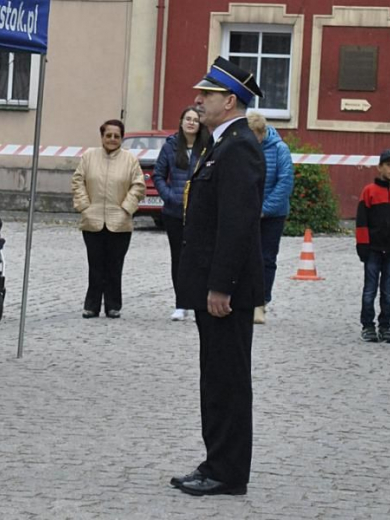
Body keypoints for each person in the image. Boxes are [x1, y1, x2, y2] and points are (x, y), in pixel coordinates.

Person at [170, 57, 264, 497]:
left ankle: (227, 472)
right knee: (216, 377)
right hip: (213, 283)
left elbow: (237, 224)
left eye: (206, 95)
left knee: (226, 380)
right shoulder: (219, 143)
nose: (198, 101)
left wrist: (221, 285)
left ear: (229, 101)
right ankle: (216, 462)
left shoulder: (239, 145)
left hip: (225, 289)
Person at [71, 119, 145, 319]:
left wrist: (126, 209)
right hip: (92, 220)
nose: (112, 139)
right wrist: (84, 207)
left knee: (114, 265)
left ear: (121, 138)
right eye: (108, 135)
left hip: (120, 222)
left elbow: (138, 186)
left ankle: (113, 305)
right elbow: (78, 181)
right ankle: (91, 305)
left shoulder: (130, 160)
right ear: (102, 136)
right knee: (95, 265)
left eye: (116, 136)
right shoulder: (88, 157)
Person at [152, 106, 209, 321]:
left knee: (198, 259)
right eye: (188, 118)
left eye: (195, 119)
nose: (192, 122)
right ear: (181, 121)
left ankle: (198, 303)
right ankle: (181, 303)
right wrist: (169, 196)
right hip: (174, 212)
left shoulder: (206, 147)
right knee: (179, 258)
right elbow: (158, 174)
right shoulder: (170, 146)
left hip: (198, 212)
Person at [355, 149, 390, 344]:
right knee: (370, 289)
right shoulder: (369, 191)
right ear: (380, 167)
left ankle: (385, 325)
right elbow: (361, 222)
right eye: (389, 165)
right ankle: (368, 325)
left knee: (388, 291)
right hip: (373, 250)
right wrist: (362, 245)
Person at [246, 112, 294, 325]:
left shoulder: (280, 149)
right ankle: (246, 299)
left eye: (254, 134)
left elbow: (285, 183)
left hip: (273, 214)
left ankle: (261, 302)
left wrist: (264, 209)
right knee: (246, 257)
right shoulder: (245, 148)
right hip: (248, 212)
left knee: (266, 258)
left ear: (262, 133)